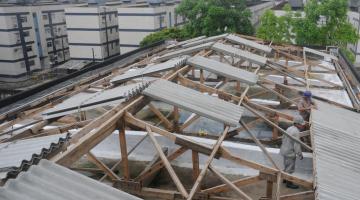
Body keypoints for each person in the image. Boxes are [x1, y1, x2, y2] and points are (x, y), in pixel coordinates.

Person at [280, 115, 304, 189]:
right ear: (296, 124)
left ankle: (284, 179)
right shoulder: (296, 132)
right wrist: (300, 154)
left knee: (286, 166)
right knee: (290, 168)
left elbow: (283, 138)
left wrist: (285, 146)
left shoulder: (289, 128)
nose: (302, 126)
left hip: (284, 150)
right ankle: (289, 183)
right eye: (300, 124)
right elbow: (296, 146)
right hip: (290, 153)